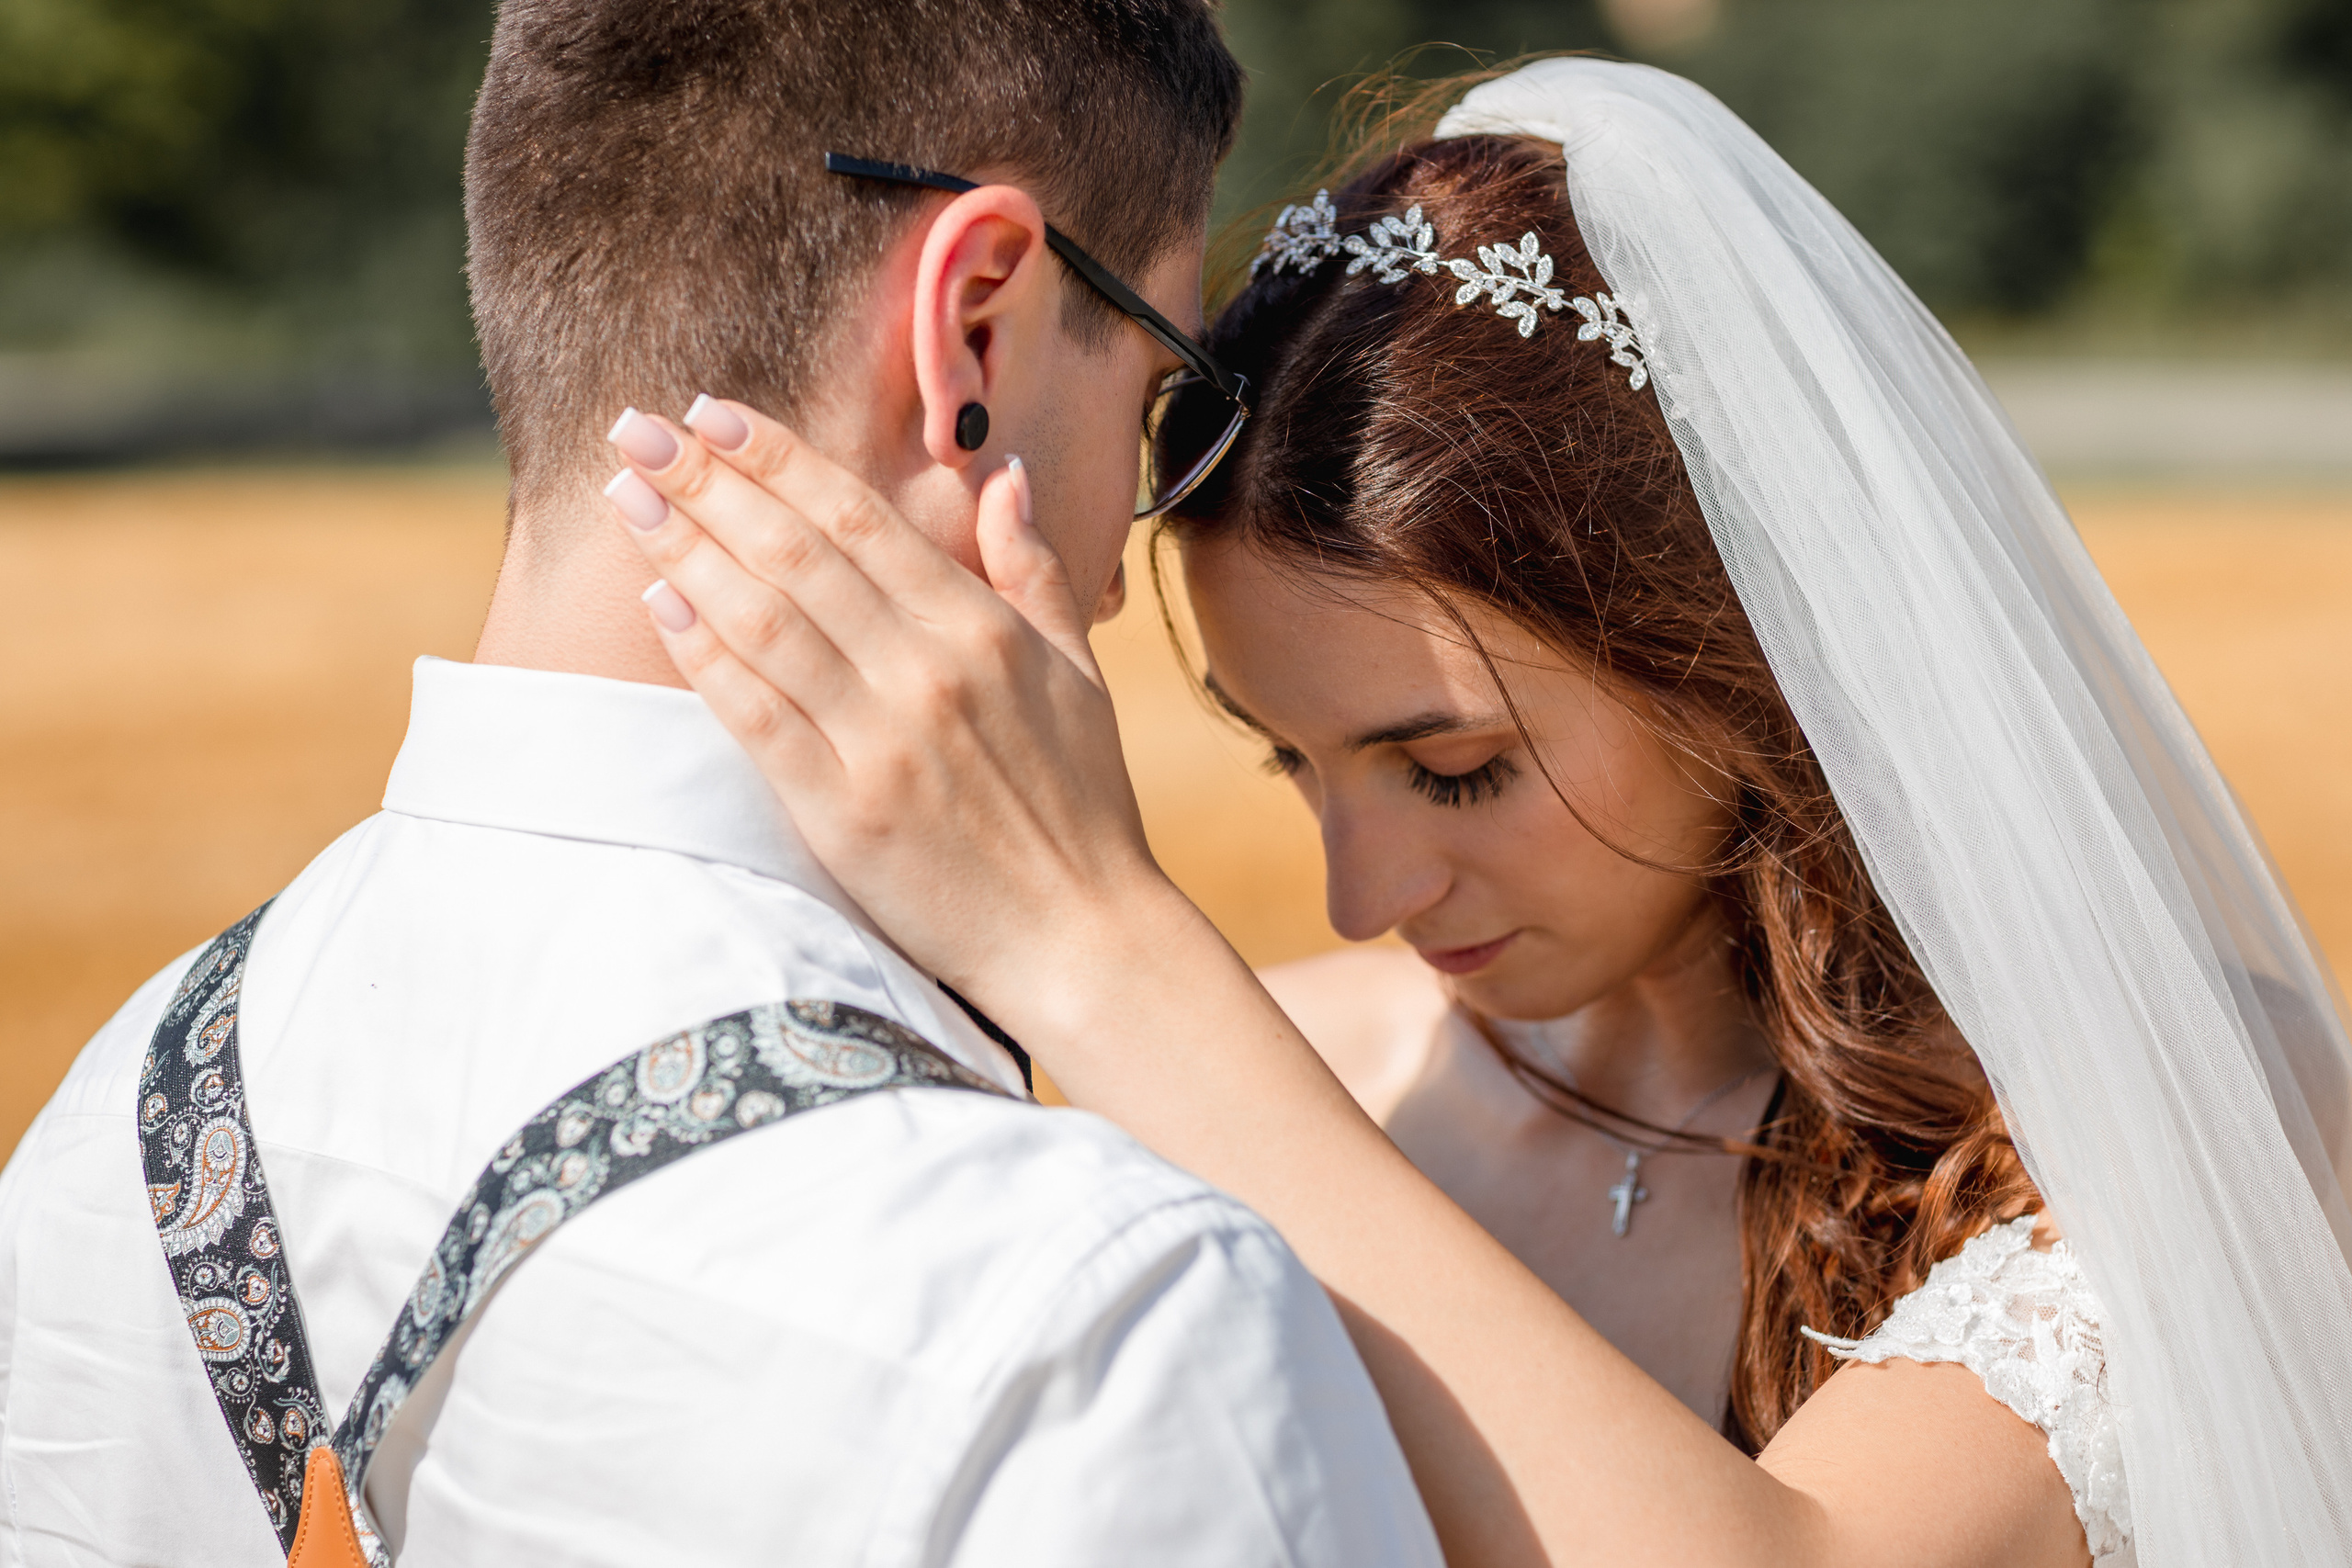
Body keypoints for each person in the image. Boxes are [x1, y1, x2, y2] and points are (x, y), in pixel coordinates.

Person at [605, 57, 2352, 1568]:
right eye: (1294, 762)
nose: (1363, 895)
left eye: (1453, 769)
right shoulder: (1288, 1069)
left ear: (1728, 653)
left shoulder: (2174, 1114)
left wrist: (1097, 943)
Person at [0, 4, 1445, 1562]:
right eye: (1158, 396)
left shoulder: (97, 1126)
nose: (1119, 563)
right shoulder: (1104, 1324)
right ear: (972, 331)